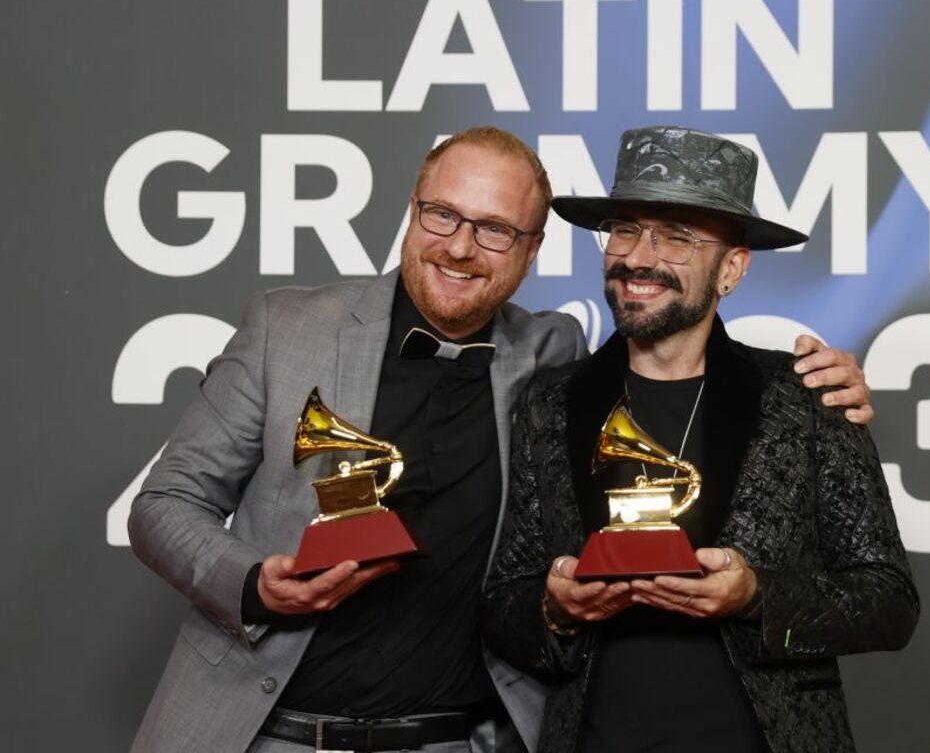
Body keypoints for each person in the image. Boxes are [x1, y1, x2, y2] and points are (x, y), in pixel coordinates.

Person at [128, 126, 874, 753]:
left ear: (533, 249)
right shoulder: (285, 329)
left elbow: (672, 359)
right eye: (442, 216)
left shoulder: (551, 360)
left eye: (494, 230)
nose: (459, 248)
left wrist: (824, 382)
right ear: (411, 213)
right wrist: (255, 586)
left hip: (463, 741)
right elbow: (165, 502)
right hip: (268, 732)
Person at [481, 127, 919, 752]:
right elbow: (503, 605)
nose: (639, 256)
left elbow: (890, 602)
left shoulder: (807, 398)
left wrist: (757, 598)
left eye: (678, 237)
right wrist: (556, 609)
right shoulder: (550, 403)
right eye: (625, 228)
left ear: (732, 268)